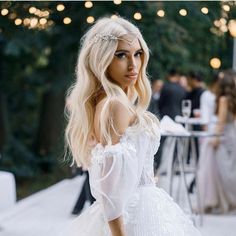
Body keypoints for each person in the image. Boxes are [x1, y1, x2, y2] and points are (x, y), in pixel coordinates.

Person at [62, 17, 201, 236]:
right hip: (133, 217)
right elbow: (110, 187)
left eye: (137, 54)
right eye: (121, 55)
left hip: (141, 208)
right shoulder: (114, 105)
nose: (133, 64)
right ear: (102, 59)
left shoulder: (110, 101)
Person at [197, 70, 236, 213]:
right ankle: (227, 202)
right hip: (233, 135)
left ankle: (224, 201)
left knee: (221, 171)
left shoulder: (224, 100)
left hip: (224, 136)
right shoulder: (233, 99)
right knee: (230, 170)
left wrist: (216, 138)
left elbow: (220, 122)